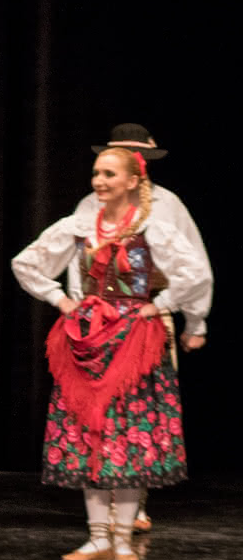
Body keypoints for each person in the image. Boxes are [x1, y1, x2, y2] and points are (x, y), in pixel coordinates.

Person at [11, 146, 209, 560]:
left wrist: (161, 303)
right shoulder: (81, 227)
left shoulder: (152, 228)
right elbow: (26, 263)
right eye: (96, 173)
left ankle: (122, 537)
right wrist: (63, 301)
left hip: (135, 338)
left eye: (108, 175)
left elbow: (196, 272)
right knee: (90, 433)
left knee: (128, 433)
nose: (98, 181)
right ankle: (98, 536)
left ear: (133, 182)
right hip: (89, 336)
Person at [72, 124, 211, 534]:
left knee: (140, 407)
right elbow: (73, 261)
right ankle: (102, 501)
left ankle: (137, 501)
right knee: (98, 408)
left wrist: (195, 319)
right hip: (98, 318)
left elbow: (195, 264)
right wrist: (77, 309)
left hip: (147, 312)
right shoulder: (88, 206)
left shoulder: (167, 206)